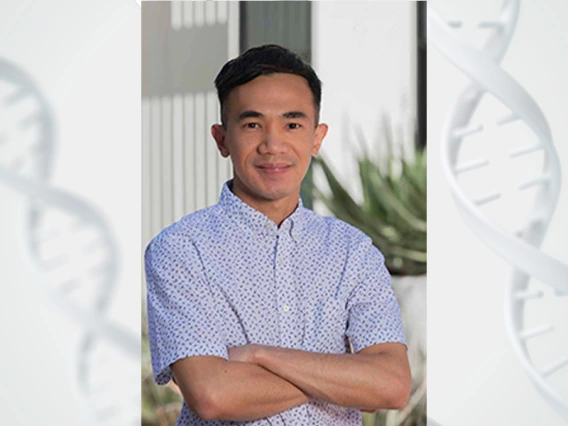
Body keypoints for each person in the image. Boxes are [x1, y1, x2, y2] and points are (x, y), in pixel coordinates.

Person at [145, 44, 411, 426]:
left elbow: (393, 385)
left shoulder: (353, 252)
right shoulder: (181, 250)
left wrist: (258, 356)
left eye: (292, 124)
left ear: (316, 138)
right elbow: (212, 395)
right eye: (252, 124)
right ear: (222, 139)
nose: (273, 145)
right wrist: (347, 378)